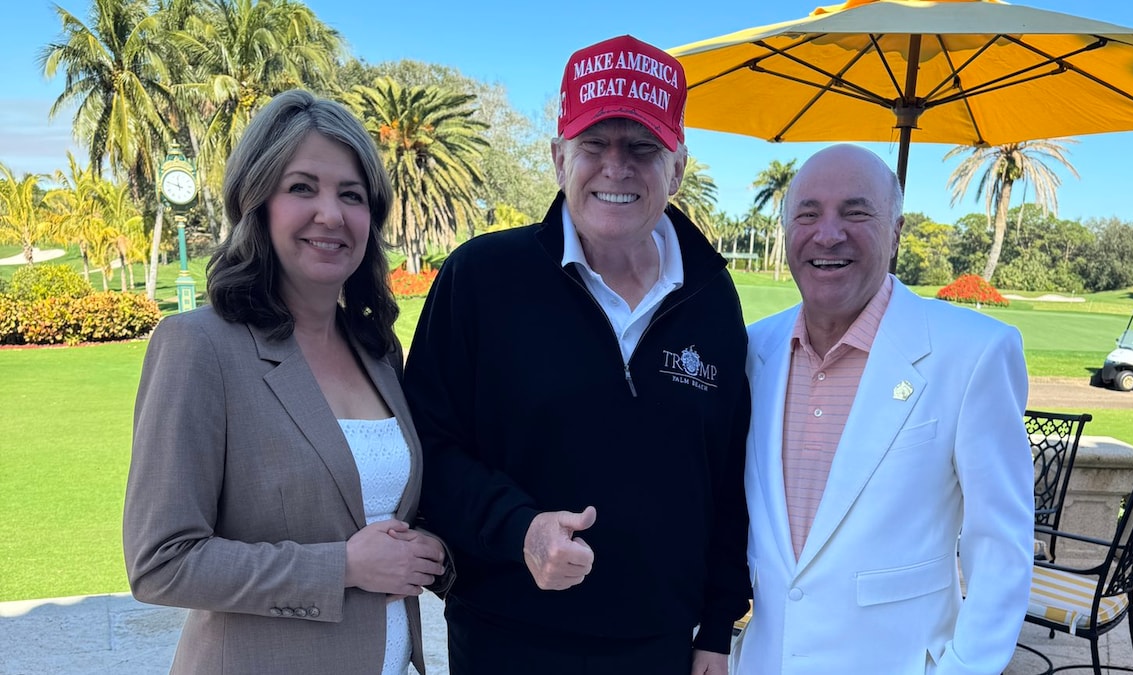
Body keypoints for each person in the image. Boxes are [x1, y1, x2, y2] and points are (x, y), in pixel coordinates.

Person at [402, 34, 751, 675]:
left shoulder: (711, 295)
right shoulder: (481, 278)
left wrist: (717, 627)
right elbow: (429, 448)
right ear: (559, 157)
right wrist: (522, 530)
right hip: (506, 638)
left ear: (676, 167)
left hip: (662, 648)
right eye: (594, 144)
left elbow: (728, 477)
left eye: (642, 147)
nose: (616, 167)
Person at [123, 89, 450, 675]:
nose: (331, 214)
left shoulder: (377, 352)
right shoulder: (199, 348)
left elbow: (380, 513)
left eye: (351, 195)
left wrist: (433, 551)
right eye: (302, 188)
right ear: (258, 202)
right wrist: (343, 568)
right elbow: (161, 563)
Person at [732, 144, 1033, 674]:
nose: (828, 233)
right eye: (808, 213)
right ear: (787, 230)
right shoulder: (753, 350)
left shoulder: (974, 352)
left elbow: (1001, 546)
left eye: (856, 212)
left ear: (895, 231)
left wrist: (966, 668)